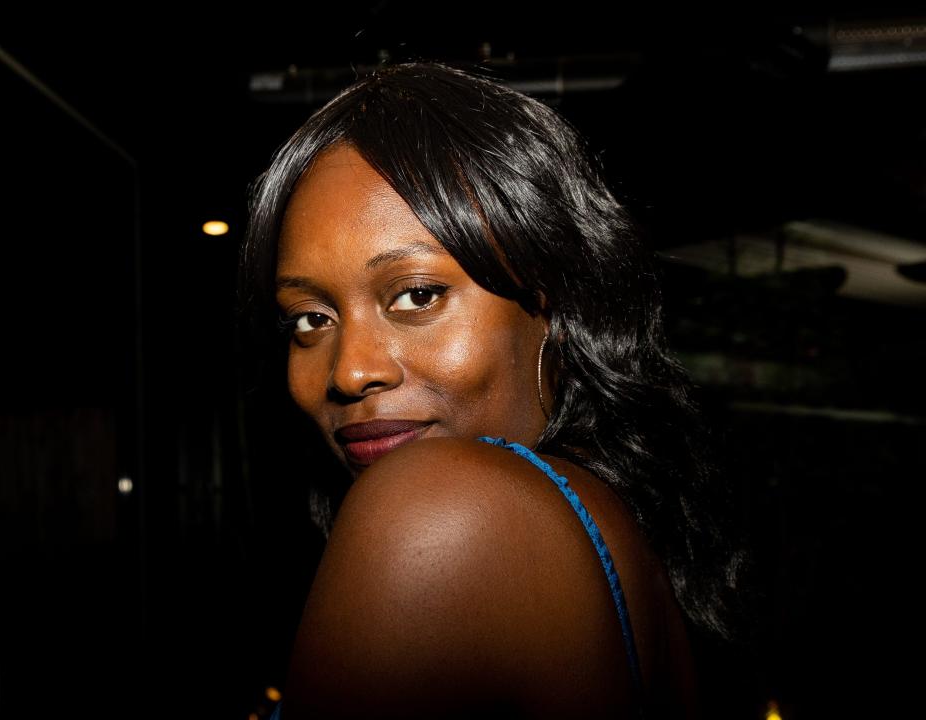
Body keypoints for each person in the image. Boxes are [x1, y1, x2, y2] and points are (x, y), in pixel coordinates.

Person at [239, 60, 748, 718]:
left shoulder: (439, 509)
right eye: (311, 319)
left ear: (555, 307)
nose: (348, 371)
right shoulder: (607, 532)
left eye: (418, 296)